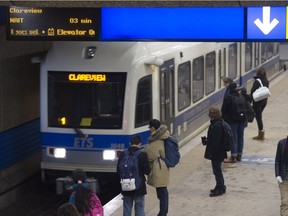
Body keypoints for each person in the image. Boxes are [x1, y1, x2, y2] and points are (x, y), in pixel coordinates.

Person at [117, 135, 151, 216]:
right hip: (139, 187)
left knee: (127, 208)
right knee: (139, 208)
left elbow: (118, 170)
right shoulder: (143, 154)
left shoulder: (123, 154)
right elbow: (147, 171)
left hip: (125, 186)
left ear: (130, 143)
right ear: (140, 144)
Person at [144, 119, 170, 216]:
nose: (149, 129)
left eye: (149, 127)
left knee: (162, 192)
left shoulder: (158, 139)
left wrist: (146, 150)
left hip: (159, 168)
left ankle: (162, 213)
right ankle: (163, 212)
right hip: (162, 167)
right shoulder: (161, 136)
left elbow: (151, 154)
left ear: (153, 128)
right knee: (162, 191)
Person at [202, 106, 227, 197]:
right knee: (216, 170)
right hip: (219, 151)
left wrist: (211, 152)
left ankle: (221, 188)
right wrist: (207, 141)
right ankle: (219, 185)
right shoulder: (217, 123)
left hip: (217, 153)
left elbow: (216, 141)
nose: (210, 115)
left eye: (211, 113)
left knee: (217, 170)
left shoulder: (217, 125)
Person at [221, 82, 247, 163]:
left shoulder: (228, 98)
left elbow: (223, 110)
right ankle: (239, 155)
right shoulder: (241, 96)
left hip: (232, 121)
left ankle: (233, 156)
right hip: (242, 120)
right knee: (240, 137)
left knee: (233, 138)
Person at [250, 67, 269, 140]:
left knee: (258, 118)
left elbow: (253, 91)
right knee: (259, 116)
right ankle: (261, 132)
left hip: (257, 102)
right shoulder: (266, 81)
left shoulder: (257, 81)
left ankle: (261, 134)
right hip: (264, 101)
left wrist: (251, 98)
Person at [275, 136, 288, 216]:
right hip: (284, 178)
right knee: (285, 202)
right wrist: (277, 175)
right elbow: (277, 160)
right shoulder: (282, 143)